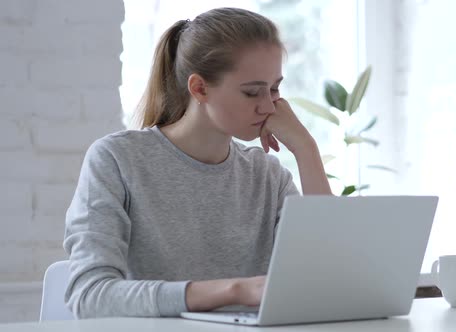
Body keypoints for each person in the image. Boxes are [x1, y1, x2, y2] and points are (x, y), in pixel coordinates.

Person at [64, 7, 331, 319]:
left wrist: (305, 148)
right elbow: (89, 295)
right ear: (200, 88)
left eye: (274, 89)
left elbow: (325, 273)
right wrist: (234, 291)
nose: (270, 106)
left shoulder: (268, 176)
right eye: (252, 92)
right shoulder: (117, 160)